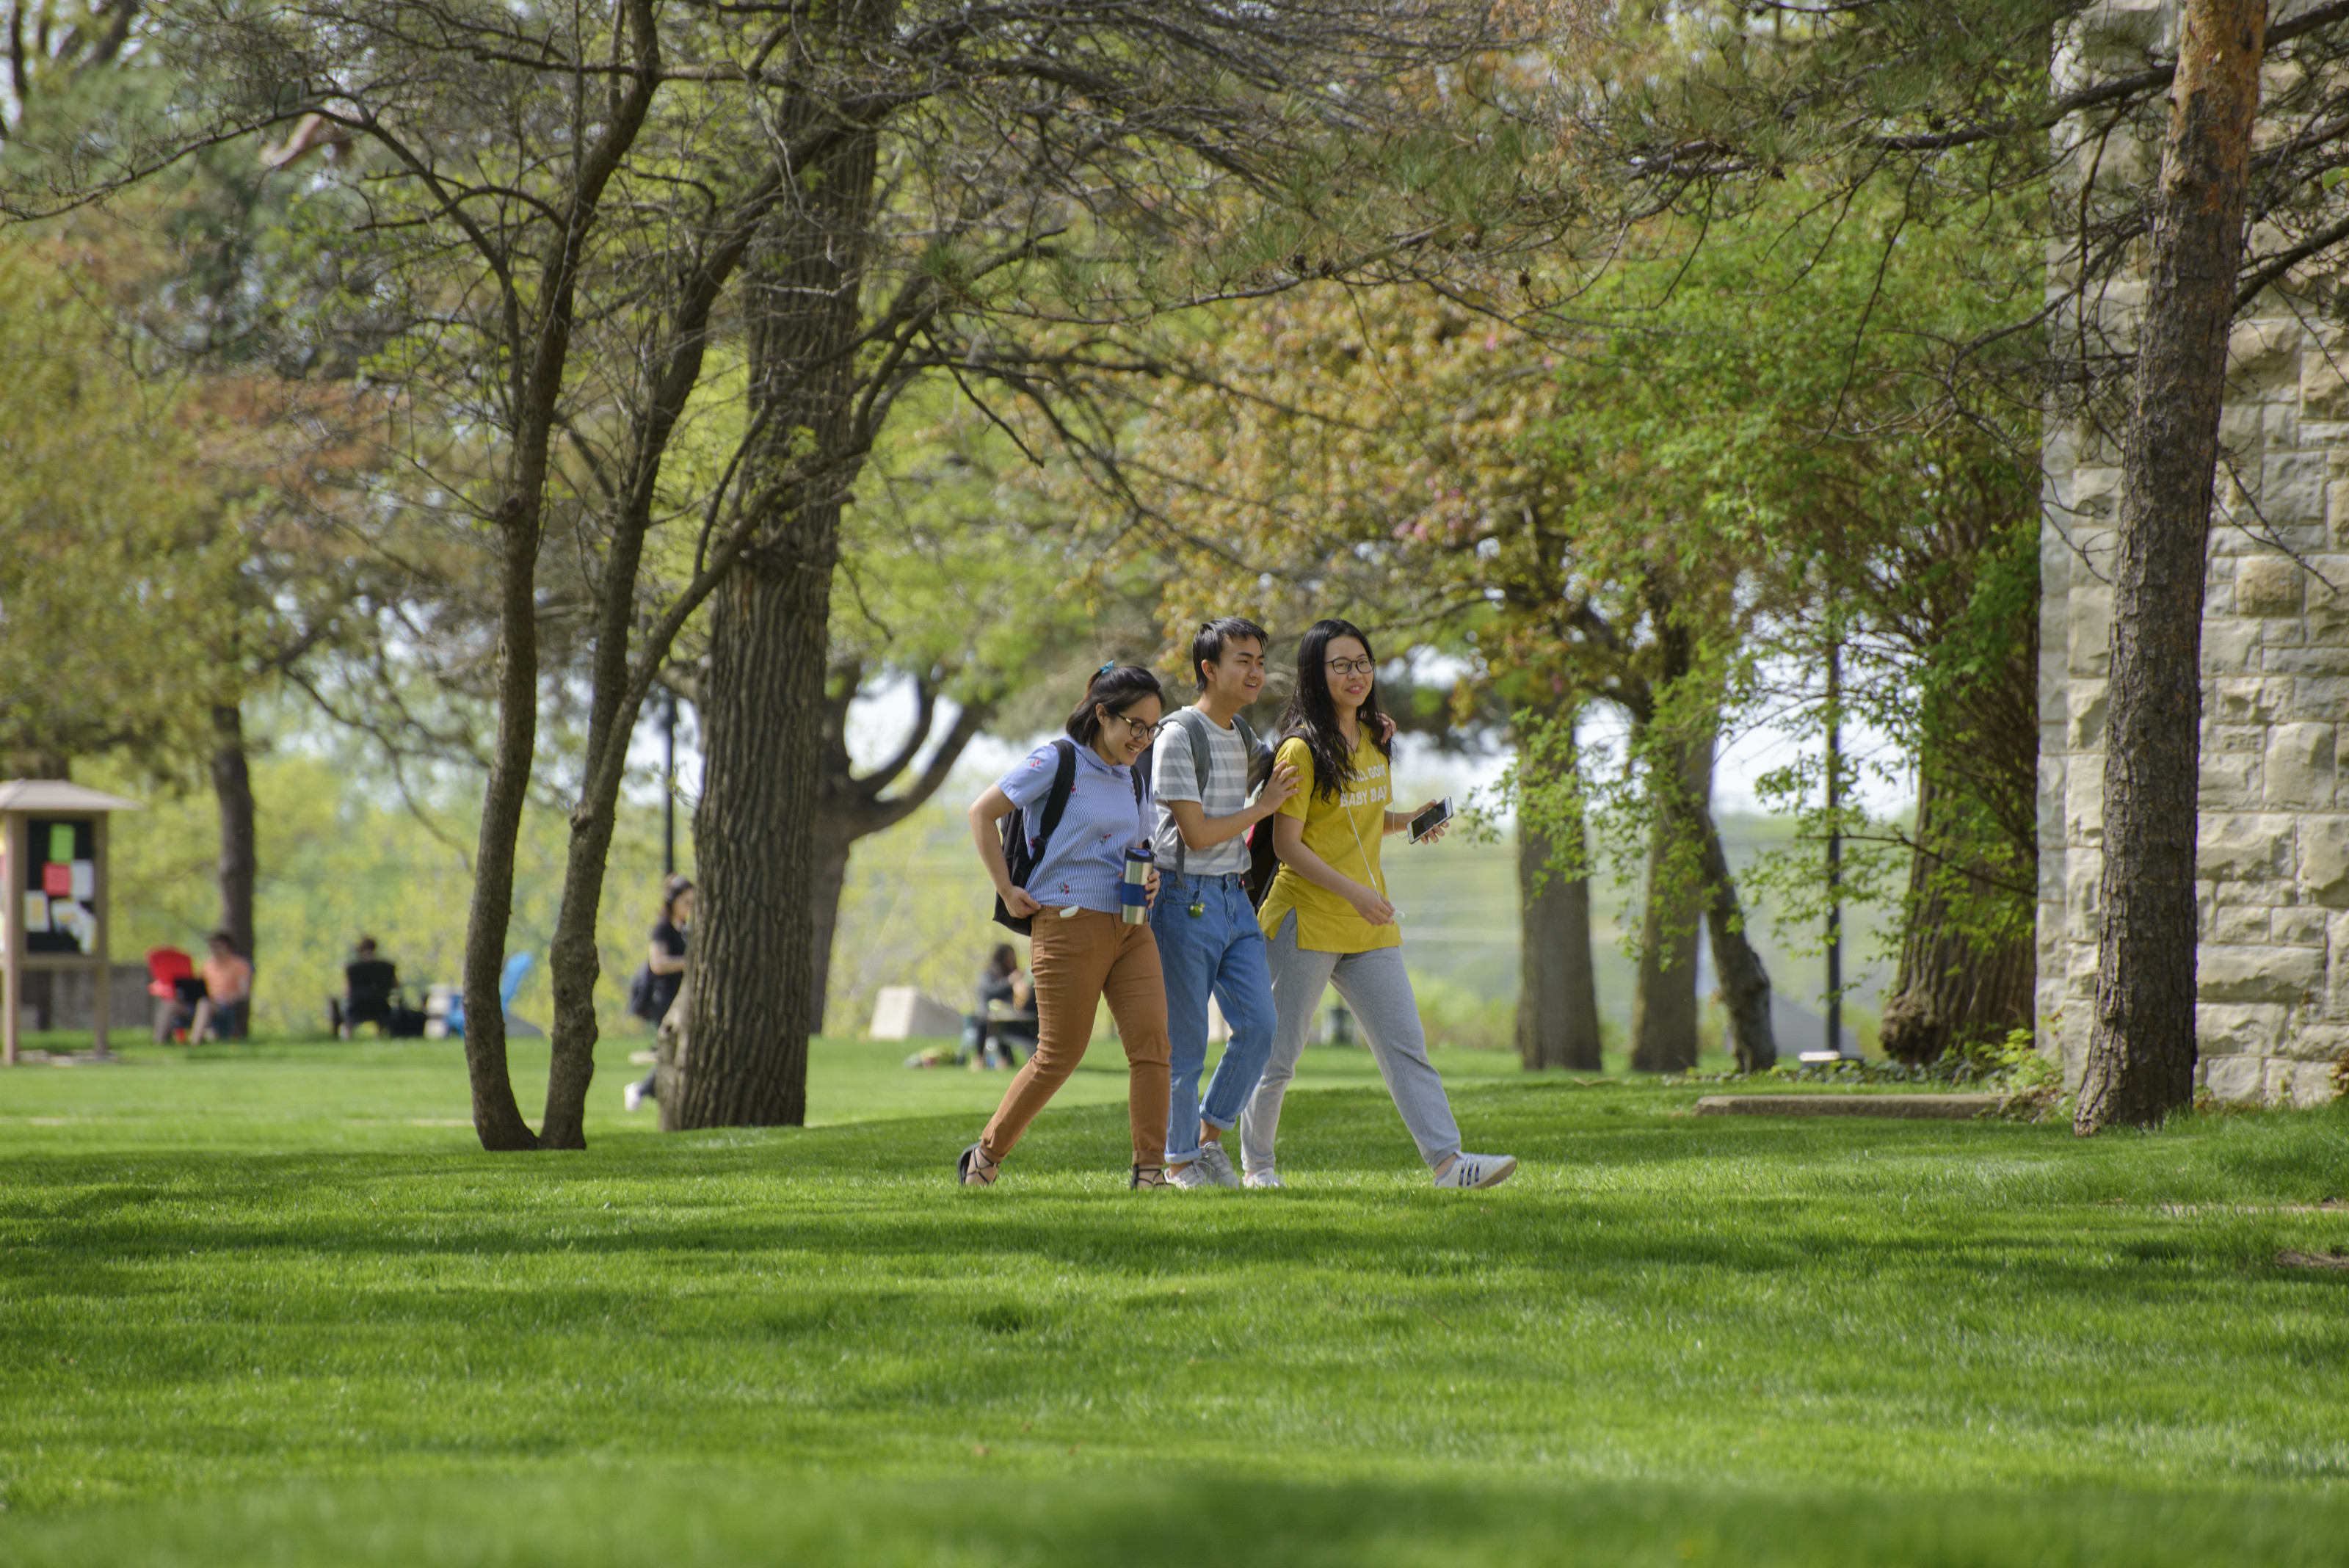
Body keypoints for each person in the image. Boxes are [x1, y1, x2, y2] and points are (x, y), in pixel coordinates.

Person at [1241, 618, 1518, 1191]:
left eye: (1363, 663)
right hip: (1305, 919)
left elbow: (1357, 822)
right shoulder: (1299, 750)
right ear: (1316, 676)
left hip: (1368, 921)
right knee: (1278, 1056)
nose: (1355, 674)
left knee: (1404, 1048)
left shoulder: (1375, 740)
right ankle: (1257, 1170)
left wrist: (1410, 822)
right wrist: (1356, 892)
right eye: (1340, 665)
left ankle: (1448, 1164)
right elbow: (1287, 843)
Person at [959, 664, 1173, 1189]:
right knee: (1060, 1055)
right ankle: (985, 1158)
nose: (1143, 740)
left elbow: (1139, 848)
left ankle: (1149, 1173)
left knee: (1152, 1044)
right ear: (1102, 714)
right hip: (1067, 924)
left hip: (1130, 925)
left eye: (1153, 730)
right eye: (1134, 726)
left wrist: (1153, 881)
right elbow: (981, 813)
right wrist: (1008, 889)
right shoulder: (1056, 760)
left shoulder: (1136, 776)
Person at [1148, 617, 1301, 1188]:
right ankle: (1180, 1160)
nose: (1256, 670)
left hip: (1234, 901)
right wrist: (1263, 809)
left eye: (1260, 660)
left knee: (1261, 1028)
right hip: (1183, 898)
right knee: (1184, 1044)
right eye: (1244, 660)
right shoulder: (1177, 735)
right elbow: (1196, 834)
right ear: (1209, 670)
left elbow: (1291, 763)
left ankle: (1208, 1139)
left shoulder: (1241, 735)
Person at [622, 875, 694, 1113]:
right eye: (686, 902)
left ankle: (648, 1090)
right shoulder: (663, 929)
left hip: (678, 996)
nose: (689, 908)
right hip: (660, 996)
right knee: (671, 1049)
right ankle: (640, 1089)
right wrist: (689, 962)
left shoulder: (685, 930)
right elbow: (658, 963)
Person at [969, 944, 1037, 1069]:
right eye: (1008, 958)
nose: (1012, 960)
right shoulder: (989, 975)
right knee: (984, 1023)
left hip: (1012, 1017)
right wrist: (1010, 982)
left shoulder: (1017, 975)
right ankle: (980, 1059)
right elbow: (988, 993)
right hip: (990, 1016)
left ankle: (1005, 1060)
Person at [189, 931, 252, 1044]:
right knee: (170, 1005)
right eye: (212, 946)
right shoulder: (206, 965)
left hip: (223, 1005)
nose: (214, 949)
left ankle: (195, 1042)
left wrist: (232, 997)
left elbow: (244, 992)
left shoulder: (239, 965)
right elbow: (197, 986)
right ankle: (159, 1042)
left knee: (205, 1004)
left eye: (218, 946)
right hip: (201, 1001)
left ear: (227, 947)